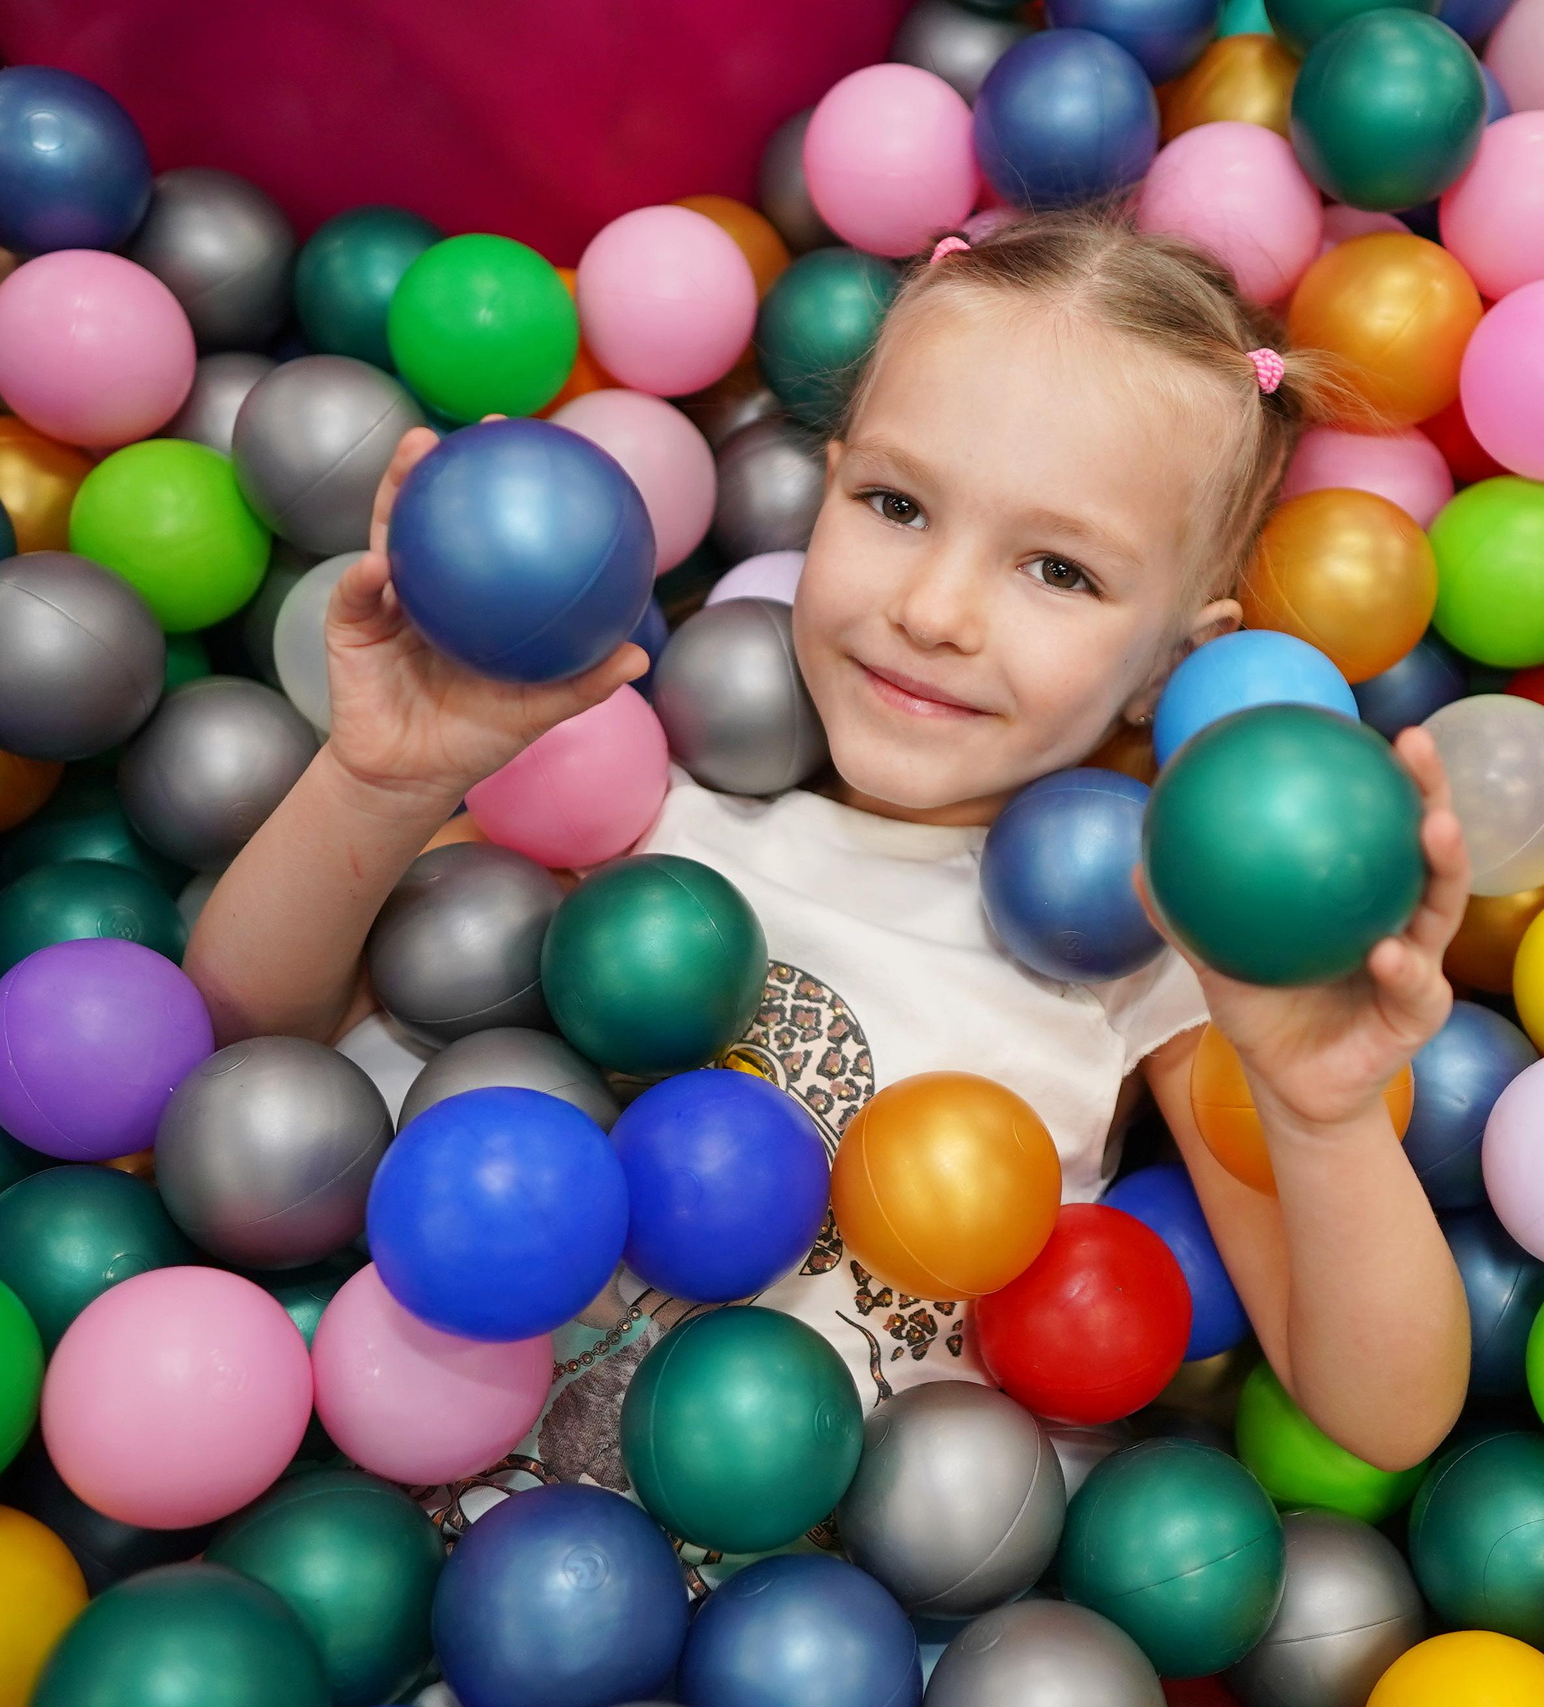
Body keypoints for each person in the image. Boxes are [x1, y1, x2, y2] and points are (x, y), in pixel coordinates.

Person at [185, 205, 1474, 1524]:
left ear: (1170, 660)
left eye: (1059, 571)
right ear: (825, 486)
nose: (934, 611)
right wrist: (382, 784)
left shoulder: (1158, 951)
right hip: (405, 1520)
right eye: (897, 505)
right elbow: (234, 1054)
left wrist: (1315, 1116)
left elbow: (1380, 1407)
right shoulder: (625, 801)